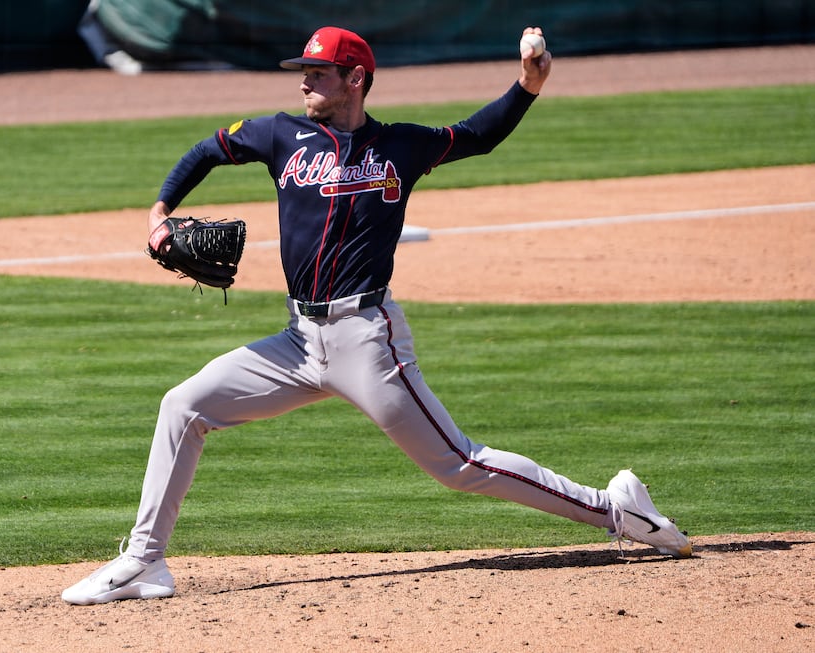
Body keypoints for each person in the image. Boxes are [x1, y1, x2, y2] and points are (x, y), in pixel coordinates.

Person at [62, 26, 691, 605]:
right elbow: (208, 149)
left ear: (355, 78)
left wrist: (528, 85)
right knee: (183, 406)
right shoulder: (280, 135)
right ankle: (145, 560)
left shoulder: (400, 146)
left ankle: (617, 510)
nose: (305, 82)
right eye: (304, 72)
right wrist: (160, 211)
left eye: (318, 72)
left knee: (459, 464)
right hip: (297, 342)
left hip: (367, 341)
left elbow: (477, 135)